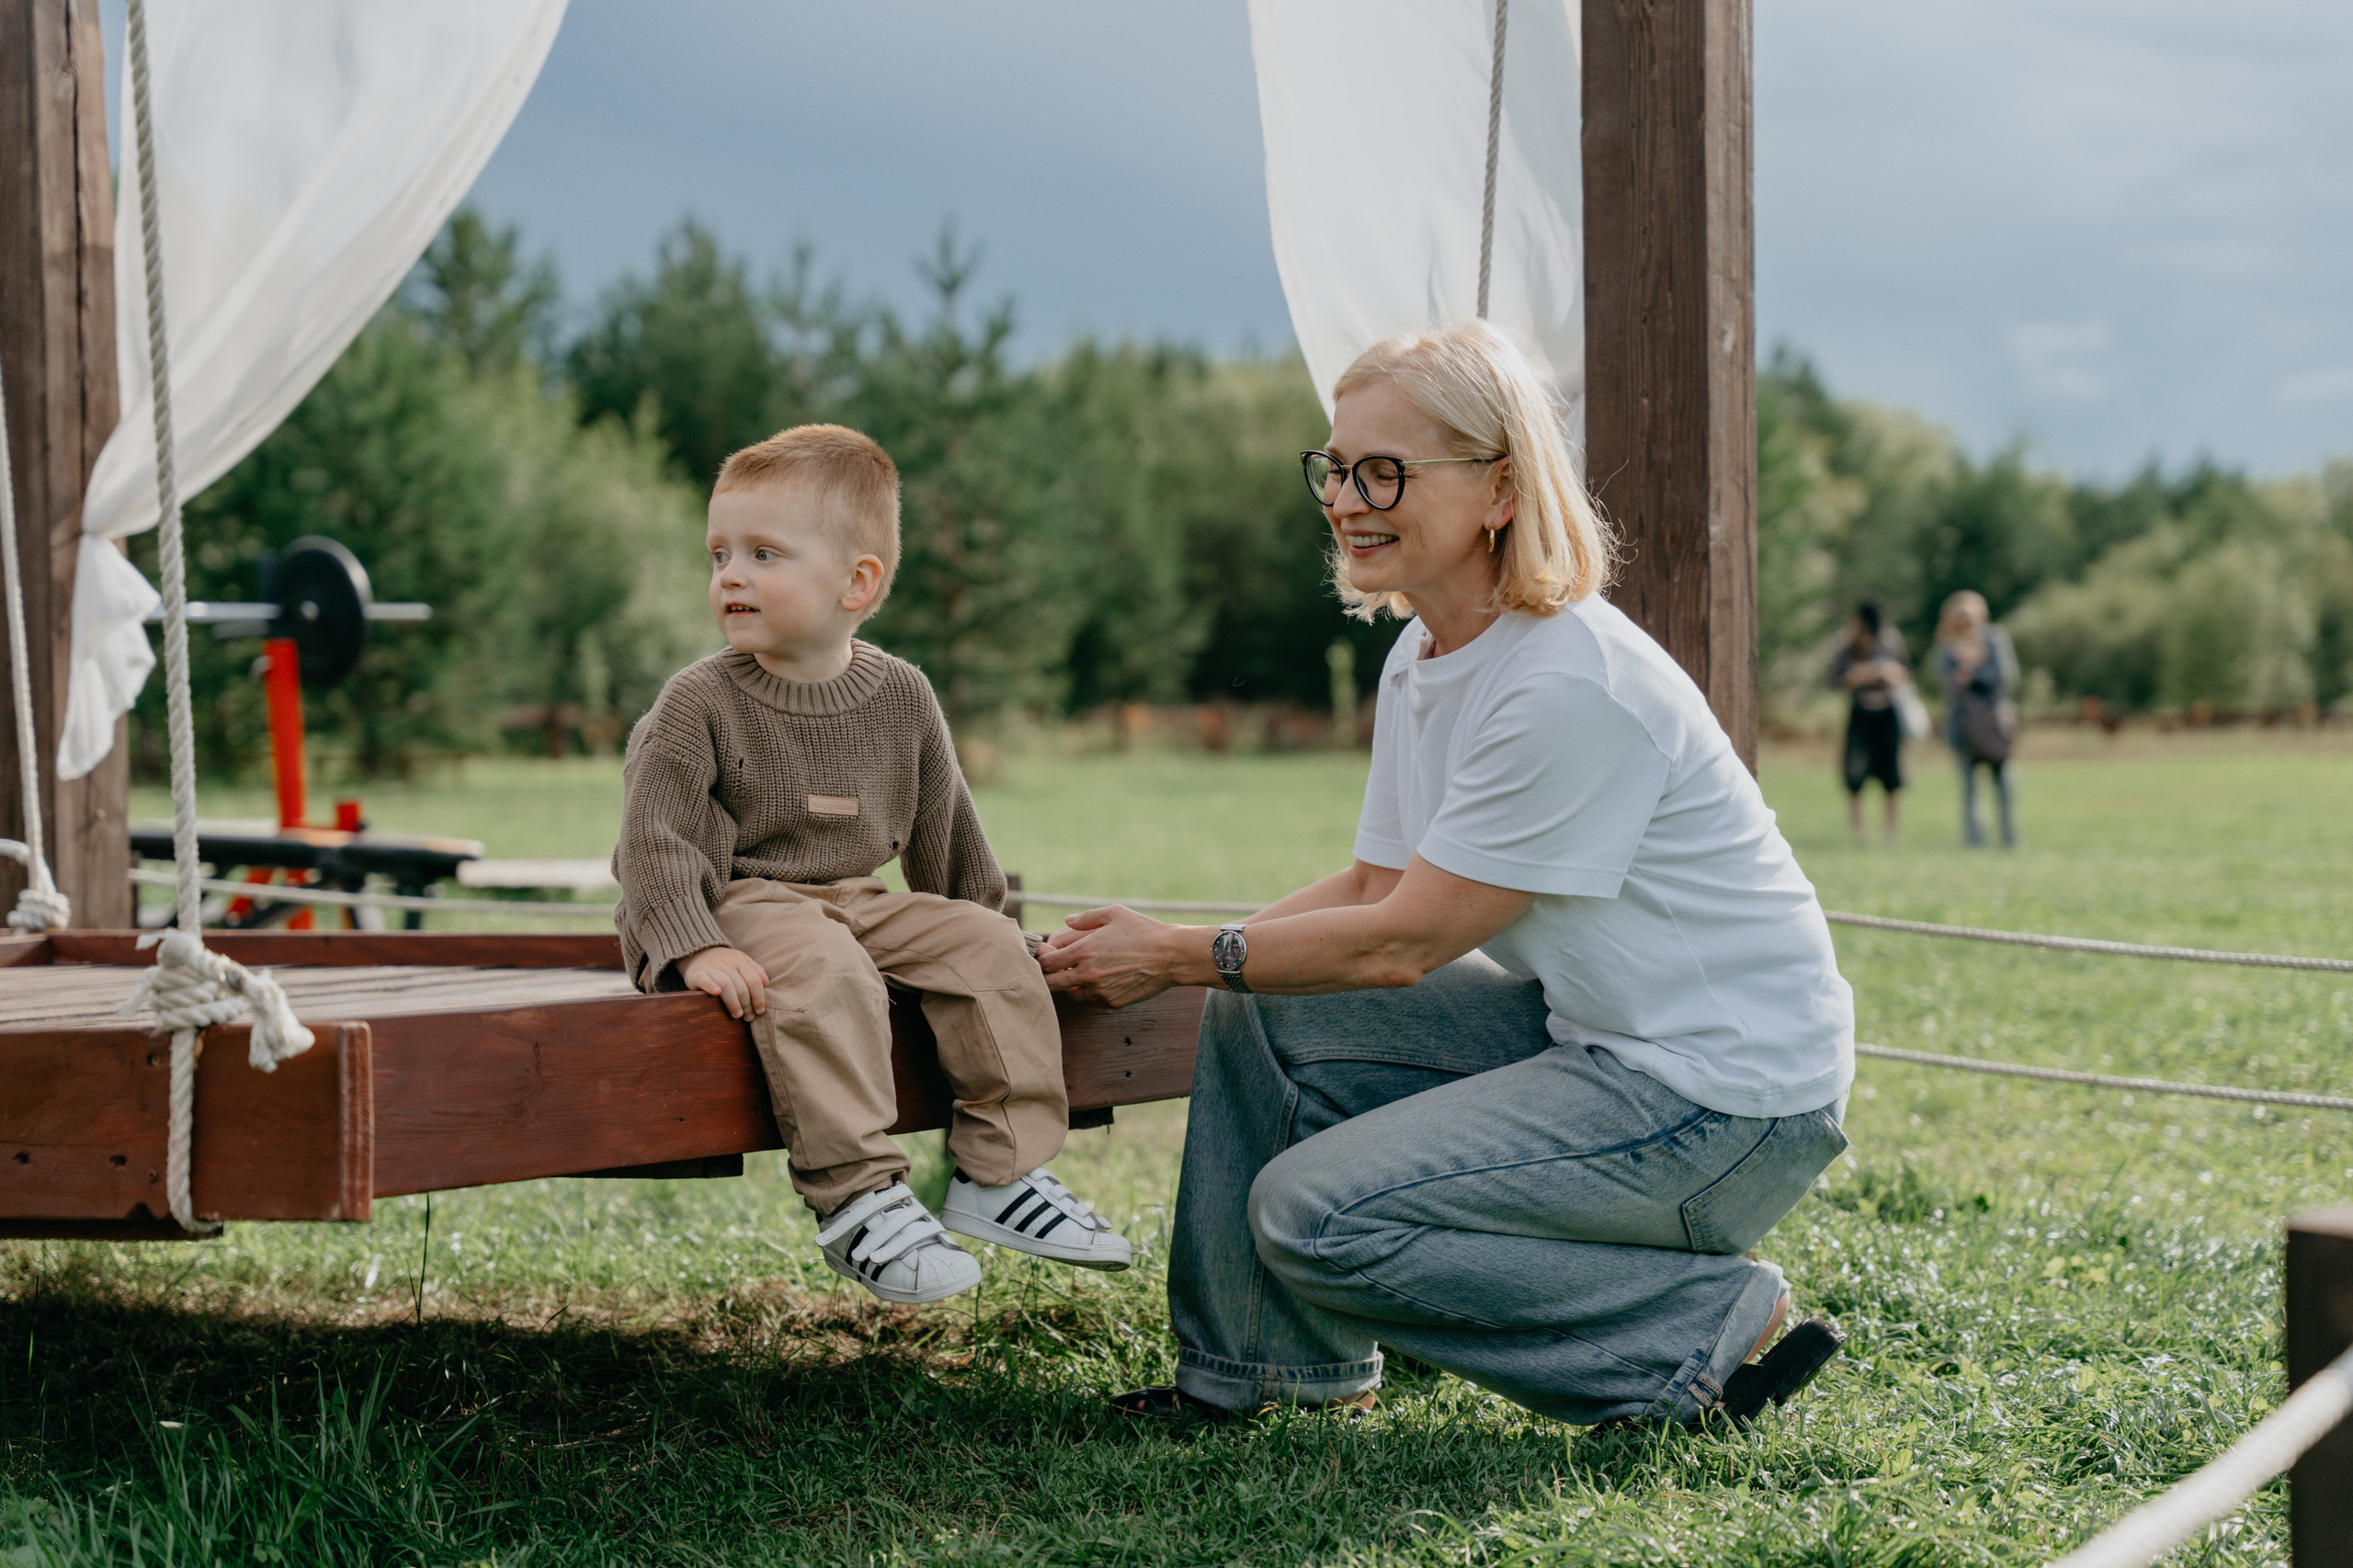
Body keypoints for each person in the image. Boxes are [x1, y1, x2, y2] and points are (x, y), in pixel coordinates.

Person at [1040, 322, 1854, 1429]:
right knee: (1257, 1012)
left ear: (1500, 492)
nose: (1345, 498)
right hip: (1604, 1043)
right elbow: (1377, 882)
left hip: (1726, 1105)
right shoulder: (1423, 656)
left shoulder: (1569, 680)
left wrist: (1181, 955)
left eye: (1386, 470)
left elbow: (1403, 943)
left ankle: (1693, 1329)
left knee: (1311, 1213)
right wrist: (1175, 952)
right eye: (1334, 467)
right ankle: (1263, 1374)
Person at [612, 424, 1131, 1305]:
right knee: (826, 966)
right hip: (737, 900)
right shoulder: (698, 701)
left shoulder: (900, 695)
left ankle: (998, 1175)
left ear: (859, 581)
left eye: (764, 553)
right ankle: (857, 1196)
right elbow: (653, 840)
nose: (730, 575)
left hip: (856, 897)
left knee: (985, 949)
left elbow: (947, 827)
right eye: (719, 554)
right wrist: (694, 946)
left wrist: (991, 931)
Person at [1937, 590, 2018, 848]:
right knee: (1969, 788)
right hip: (1963, 723)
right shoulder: (1947, 645)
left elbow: (2004, 677)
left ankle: (2010, 839)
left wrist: (1972, 672)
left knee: (2005, 783)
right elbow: (1948, 684)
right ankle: (1974, 842)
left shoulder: (1994, 639)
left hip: (1994, 721)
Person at [1829, 600, 1911, 846]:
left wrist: (1889, 673)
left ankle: (1890, 832)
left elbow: (1906, 673)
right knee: (1855, 774)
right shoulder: (1847, 645)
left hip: (1887, 713)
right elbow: (1834, 680)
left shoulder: (1891, 641)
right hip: (1860, 713)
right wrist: (1857, 676)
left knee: (1891, 776)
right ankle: (1859, 832)